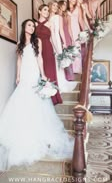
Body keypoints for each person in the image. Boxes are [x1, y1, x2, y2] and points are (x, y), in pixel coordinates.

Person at [0, 19, 72, 171]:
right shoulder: (19, 45)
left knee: (36, 102)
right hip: (24, 75)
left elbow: (40, 58)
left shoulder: (37, 41)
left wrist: (43, 74)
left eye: (33, 25)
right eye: (29, 25)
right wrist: (18, 76)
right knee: (22, 101)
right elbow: (19, 61)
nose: (32, 27)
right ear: (24, 27)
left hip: (34, 74)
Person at [35, 4, 62, 105]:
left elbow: (53, 39)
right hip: (37, 49)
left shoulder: (50, 23)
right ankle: (39, 93)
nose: (46, 12)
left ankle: (52, 96)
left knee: (49, 71)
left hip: (47, 48)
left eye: (47, 10)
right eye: (44, 10)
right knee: (38, 70)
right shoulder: (34, 24)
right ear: (39, 11)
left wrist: (58, 52)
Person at [48, 1, 75, 92]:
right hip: (48, 39)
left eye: (56, 5)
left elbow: (61, 31)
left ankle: (59, 83)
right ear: (50, 6)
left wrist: (64, 42)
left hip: (56, 39)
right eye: (53, 5)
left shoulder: (58, 17)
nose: (55, 7)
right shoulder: (47, 17)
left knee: (57, 59)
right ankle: (51, 80)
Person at [57, 0, 75, 81]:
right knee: (59, 55)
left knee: (67, 55)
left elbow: (69, 28)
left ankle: (69, 76)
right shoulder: (56, 15)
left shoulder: (67, 15)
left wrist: (72, 39)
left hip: (66, 36)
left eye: (65, 4)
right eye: (63, 4)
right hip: (57, 36)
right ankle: (61, 76)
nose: (65, 6)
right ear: (60, 5)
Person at [66, 0, 82, 74]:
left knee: (77, 48)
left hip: (76, 30)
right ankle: (71, 69)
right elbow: (66, 23)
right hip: (68, 30)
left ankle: (78, 69)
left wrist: (84, 31)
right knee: (70, 49)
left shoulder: (78, 8)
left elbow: (80, 20)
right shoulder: (66, 10)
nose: (74, 0)